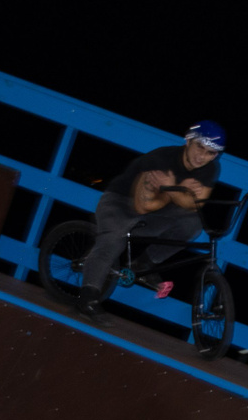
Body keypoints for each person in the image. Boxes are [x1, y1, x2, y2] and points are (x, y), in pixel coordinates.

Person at [73, 121, 227, 322]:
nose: (202, 156)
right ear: (188, 141)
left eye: (210, 153)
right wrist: (180, 190)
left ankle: (144, 265)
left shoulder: (211, 168)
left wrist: (170, 186)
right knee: (114, 238)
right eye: (199, 146)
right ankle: (88, 296)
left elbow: (193, 205)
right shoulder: (161, 160)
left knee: (192, 224)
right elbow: (142, 206)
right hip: (120, 201)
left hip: (159, 207)